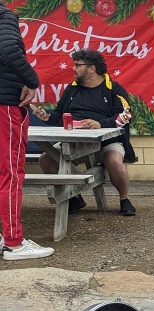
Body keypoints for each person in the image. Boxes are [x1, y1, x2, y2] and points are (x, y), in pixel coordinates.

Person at [31, 50, 137, 216]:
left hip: (107, 142)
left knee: (115, 161)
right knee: (46, 159)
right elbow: (59, 116)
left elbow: (126, 116)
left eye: (77, 65)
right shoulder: (72, 90)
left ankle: (124, 199)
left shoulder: (114, 89)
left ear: (91, 69)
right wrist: (47, 116)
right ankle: (75, 198)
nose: (73, 68)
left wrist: (100, 124)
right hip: (74, 142)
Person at [0, 1, 54, 260]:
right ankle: (14, 243)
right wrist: (32, 82)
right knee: (10, 173)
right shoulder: (4, 15)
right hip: (5, 105)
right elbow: (9, 49)